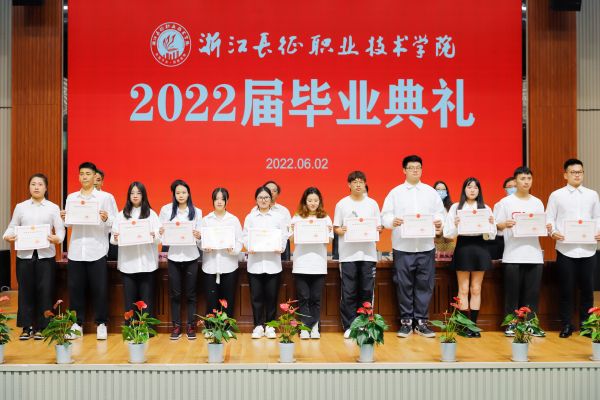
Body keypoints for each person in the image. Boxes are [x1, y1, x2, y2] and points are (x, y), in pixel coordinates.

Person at [381, 156, 445, 338]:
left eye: (418, 167)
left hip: (426, 246)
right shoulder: (395, 192)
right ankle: (406, 322)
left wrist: (439, 222)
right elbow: (385, 216)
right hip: (403, 247)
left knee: (425, 285)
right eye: (411, 167)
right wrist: (392, 221)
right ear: (404, 170)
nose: (415, 170)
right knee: (403, 285)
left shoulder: (430, 192)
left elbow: (440, 214)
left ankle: (422, 323)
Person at [3, 174, 65, 340]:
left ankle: (43, 327)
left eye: (40, 184)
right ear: (29, 187)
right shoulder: (21, 207)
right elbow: (12, 226)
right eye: (33, 184)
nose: (36, 187)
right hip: (25, 255)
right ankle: (27, 326)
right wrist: (7, 236)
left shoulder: (53, 207)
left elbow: (60, 230)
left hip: (46, 255)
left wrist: (57, 238)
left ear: (46, 188)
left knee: (45, 290)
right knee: (25, 291)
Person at [61, 161, 118, 340]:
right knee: (75, 289)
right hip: (76, 249)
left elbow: (115, 222)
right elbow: (68, 224)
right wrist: (64, 217)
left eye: (88, 174)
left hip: (97, 249)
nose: (84, 177)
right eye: (81, 174)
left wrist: (106, 218)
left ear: (95, 177)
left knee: (99, 289)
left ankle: (101, 324)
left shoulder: (105, 197)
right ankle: (76, 324)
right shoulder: (72, 198)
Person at [546, 158, 600, 338]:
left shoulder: (592, 194)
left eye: (580, 172)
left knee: (587, 290)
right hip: (566, 249)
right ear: (565, 175)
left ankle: (586, 325)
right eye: (573, 172)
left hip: (588, 249)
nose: (577, 175)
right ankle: (567, 325)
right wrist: (553, 232)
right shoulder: (556, 195)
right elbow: (549, 218)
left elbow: (597, 217)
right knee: (566, 289)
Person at [495, 166, 545, 337]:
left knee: (532, 294)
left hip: (534, 254)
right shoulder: (505, 202)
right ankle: (511, 324)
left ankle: (531, 324)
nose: (526, 182)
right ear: (515, 181)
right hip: (513, 254)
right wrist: (505, 224)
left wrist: (545, 226)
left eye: (529, 178)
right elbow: (496, 226)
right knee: (512, 293)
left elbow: (541, 224)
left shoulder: (537, 202)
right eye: (522, 178)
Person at [443, 177, 496, 337]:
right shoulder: (455, 208)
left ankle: (473, 326)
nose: (472, 190)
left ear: (479, 190)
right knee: (464, 289)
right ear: (464, 189)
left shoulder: (485, 208)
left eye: (475, 187)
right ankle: (463, 326)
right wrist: (456, 224)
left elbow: (491, 236)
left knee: (476, 288)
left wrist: (490, 224)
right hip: (463, 247)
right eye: (469, 187)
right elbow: (448, 234)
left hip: (480, 248)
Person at [334, 171, 382, 339]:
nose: (358, 184)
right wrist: (342, 230)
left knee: (366, 291)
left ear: (365, 183)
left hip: (368, 255)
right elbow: (336, 228)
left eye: (361, 181)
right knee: (348, 292)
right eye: (355, 182)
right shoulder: (342, 204)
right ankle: (349, 326)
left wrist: (378, 229)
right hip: (348, 255)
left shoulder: (372, 204)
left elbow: (379, 228)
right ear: (349, 184)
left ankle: (365, 324)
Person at [159, 179, 202, 340]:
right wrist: (161, 232)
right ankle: (176, 326)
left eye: (184, 192)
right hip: (174, 257)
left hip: (191, 256)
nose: (181, 195)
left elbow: (200, 235)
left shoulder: (197, 211)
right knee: (175, 294)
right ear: (174, 194)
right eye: (178, 193)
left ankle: (191, 326)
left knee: (191, 294)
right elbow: (160, 234)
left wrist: (198, 235)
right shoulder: (166, 210)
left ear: (188, 194)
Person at [111, 182, 160, 322]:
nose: (135, 196)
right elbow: (113, 240)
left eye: (138, 193)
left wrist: (154, 235)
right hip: (128, 264)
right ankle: (131, 329)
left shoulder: (151, 214)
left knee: (147, 302)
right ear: (128, 196)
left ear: (143, 195)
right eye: (132, 193)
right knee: (129, 303)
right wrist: (116, 237)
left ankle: (147, 329)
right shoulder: (121, 215)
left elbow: (159, 239)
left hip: (147, 264)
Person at [290, 187, 333, 339]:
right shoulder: (297, 217)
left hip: (318, 264)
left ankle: (314, 327)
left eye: (315, 200)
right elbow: (291, 239)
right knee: (304, 297)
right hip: (301, 263)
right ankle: (304, 328)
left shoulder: (325, 218)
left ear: (319, 201)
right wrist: (294, 230)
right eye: (310, 200)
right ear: (305, 201)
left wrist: (327, 231)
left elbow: (330, 240)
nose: (313, 203)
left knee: (315, 298)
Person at [201, 188, 242, 321]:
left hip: (229, 265)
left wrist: (233, 250)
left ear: (226, 201)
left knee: (228, 300)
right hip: (210, 266)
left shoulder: (233, 220)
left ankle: (227, 327)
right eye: (216, 199)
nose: (219, 202)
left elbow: (240, 240)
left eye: (222, 199)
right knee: (211, 300)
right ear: (213, 201)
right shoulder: (206, 220)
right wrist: (204, 247)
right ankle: (210, 328)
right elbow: (200, 241)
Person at [262, 181, 292, 261]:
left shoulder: (284, 211)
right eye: (268, 190)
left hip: (279, 250)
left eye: (274, 191)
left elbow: (289, 232)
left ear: (277, 194)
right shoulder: (254, 211)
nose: (271, 192)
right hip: (261, 248)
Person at [94, 168, 118, 261]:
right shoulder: (80, 199)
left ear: (102, 182)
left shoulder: (108, 197)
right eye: (93, 179)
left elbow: (116, 220)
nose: (95, 182)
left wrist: (107, 219)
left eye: (98, 180)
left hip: (107, 236)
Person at [433, 180, 455, 258]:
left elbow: (454, 225)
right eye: (438, 189)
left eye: (443, 189)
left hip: (449, 241)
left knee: (449, 263)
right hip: (435, 241)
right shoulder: (430, 207)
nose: (441, 191)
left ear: (446, 192)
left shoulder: (451, 207)